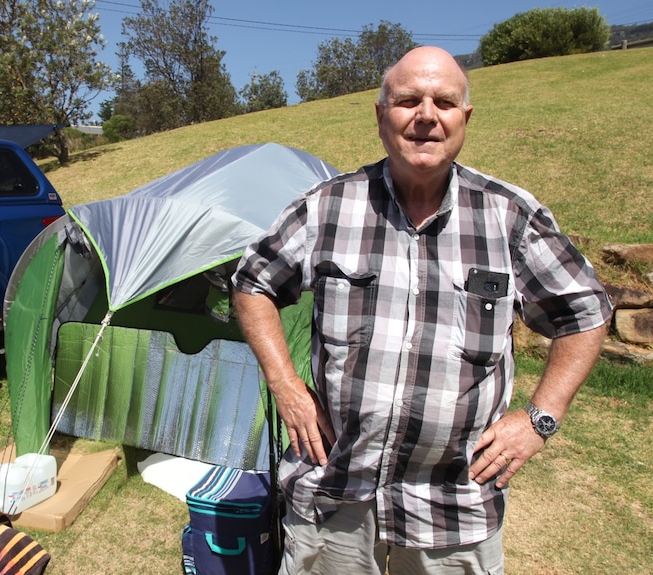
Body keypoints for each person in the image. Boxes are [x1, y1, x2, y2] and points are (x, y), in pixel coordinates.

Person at [231, 46, 612, 574]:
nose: (426, 116)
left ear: (465, 118)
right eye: (408, 100)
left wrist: (541, 417)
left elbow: (586, 311)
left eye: (445, 102)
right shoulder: (327, 206)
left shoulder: (509, 217)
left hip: (454, 505)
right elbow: (253, 284)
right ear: (381, 115)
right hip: (337, 491)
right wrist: (286, 386)